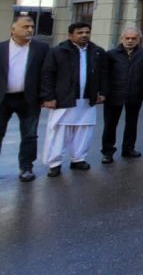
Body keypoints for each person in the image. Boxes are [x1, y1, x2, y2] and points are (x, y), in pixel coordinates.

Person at [40, 22, 106, 177]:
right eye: (80, 32)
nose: (84, 35)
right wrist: (48, 97)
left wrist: (102, 92)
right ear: (70, 35)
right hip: (64, 99)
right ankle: (54, 163)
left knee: (84, 130)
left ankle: (78, 159)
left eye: (87, 32)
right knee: (59, 132)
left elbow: (103, 74)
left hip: (87, 99)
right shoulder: (58, 51)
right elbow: (47, 75)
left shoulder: (97, 51)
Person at [0, 16, 49, 181]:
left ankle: (26, 168)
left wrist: (46, 96)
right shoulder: (1, 48)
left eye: (32, 26)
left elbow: (46, 74)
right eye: (25, 26)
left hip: (29, 99)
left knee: (29, 135)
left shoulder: (41, 48)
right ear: (13, 29)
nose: (30, 29)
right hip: (3, 99)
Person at [100, 28, 143, 163]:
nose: (130, 41)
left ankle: (128, 149)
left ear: (139, 39)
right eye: (127, 38)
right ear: (122, 39)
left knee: (132, 123)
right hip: (114, 94)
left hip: (135, 93)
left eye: (133, 38)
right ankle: (108, 151)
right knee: (110, 124)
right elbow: (104, 75)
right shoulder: (111, 54)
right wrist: (103, 93)